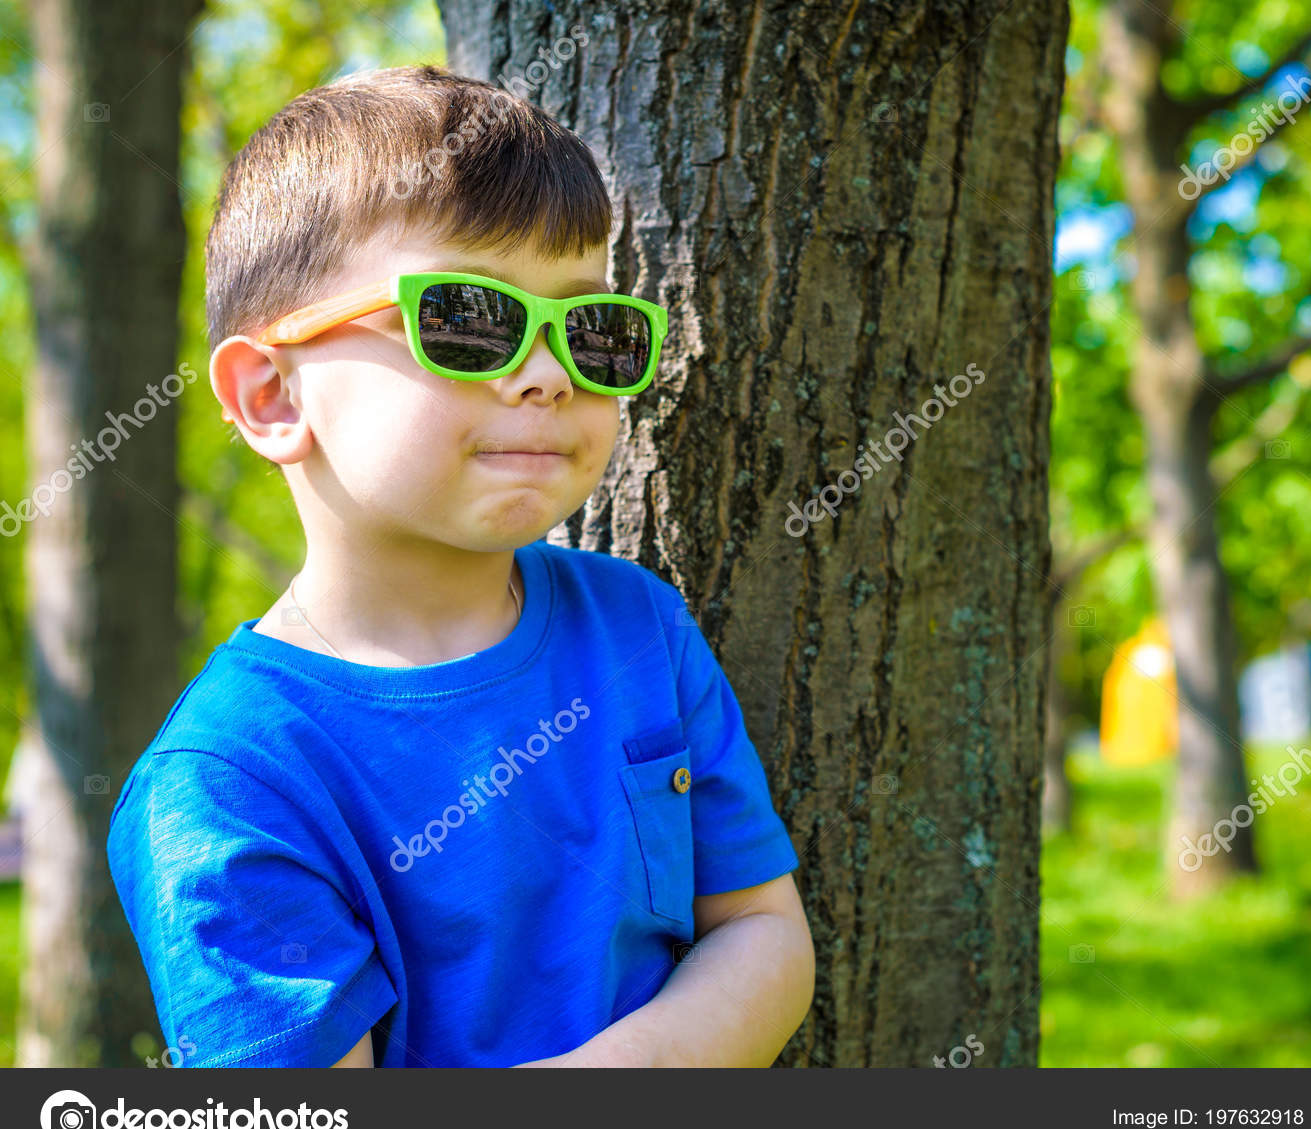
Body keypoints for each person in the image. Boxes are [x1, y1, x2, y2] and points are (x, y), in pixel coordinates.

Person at [106, 64, 814, 1068]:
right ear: (272, 395)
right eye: (468, 320)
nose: (547, 374)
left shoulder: (638, 627)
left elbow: (760, 928)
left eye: (591, 331)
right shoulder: (227, 786)